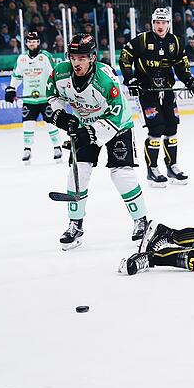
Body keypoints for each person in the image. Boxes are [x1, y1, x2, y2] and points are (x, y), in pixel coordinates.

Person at [47, 34, 150, 250]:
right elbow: (52, 97)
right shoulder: (60, 73)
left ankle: (141, 222)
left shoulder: (104, 80)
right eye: (73, 57)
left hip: (118, 126)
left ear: (92, 57)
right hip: (85, 124)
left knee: (121, 173)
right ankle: (75, 225)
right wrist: (60, 116)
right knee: (78, 173)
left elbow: (116, 113)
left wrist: (90, 134)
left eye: (82, 57)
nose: (77, 62)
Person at [118, 7, 194, 188]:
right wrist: (130, 79)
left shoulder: (175, 42)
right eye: (157, 22)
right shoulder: (142, 40)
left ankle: (172, 166)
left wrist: (190, 81)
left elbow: (182, 66)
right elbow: (125, 58)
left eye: (163, 22)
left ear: (168, 24)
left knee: (172, 126)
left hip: (167, 90)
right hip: (146, 92)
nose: (160, 25)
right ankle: (152, 169)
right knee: (156, 128)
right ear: (152, 23)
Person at [4, 32, 62, 164]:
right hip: (29, 99)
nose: (32, 43)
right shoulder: (22, 59)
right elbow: (17, 76)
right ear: (26, 43)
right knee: (27, 123)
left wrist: (57, 90)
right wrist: (11, 89)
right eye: (30, 41)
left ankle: (57, 147)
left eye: (34, 41)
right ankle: (27, 149)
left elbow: (54, 74)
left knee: (50, 122)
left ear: (38, 42)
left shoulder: (45, 56)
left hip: (45, 98)